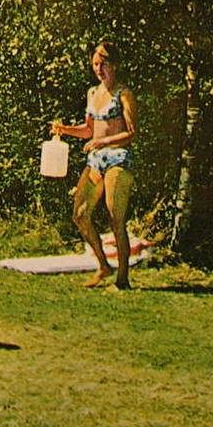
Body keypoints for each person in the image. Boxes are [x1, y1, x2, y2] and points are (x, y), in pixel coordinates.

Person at [50, 41, 138, 289]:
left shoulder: (124, 94)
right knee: (80, 214)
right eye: (96, 64)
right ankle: (103, 265)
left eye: (104, 64)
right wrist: (64, 129)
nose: (99, 69)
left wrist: (103, 141)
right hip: (96, 160)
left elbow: (132, 132)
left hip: (118, 159)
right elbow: (89, 130)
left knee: (115, 218)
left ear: (115, 65)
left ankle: (122, 279)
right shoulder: (92, 93)